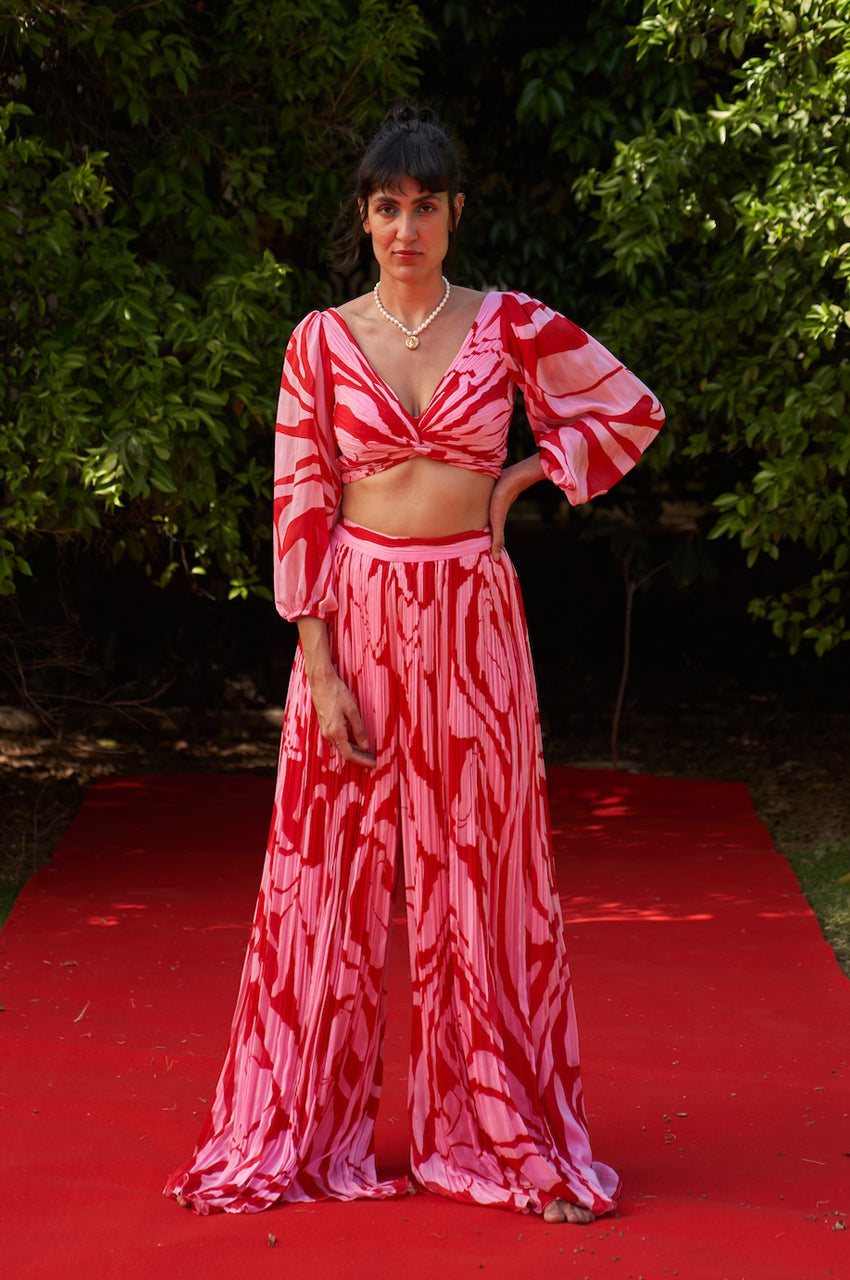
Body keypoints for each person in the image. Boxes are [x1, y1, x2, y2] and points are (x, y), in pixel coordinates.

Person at [164, 104, 664, 1225]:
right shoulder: (319, 341)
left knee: (479, 878)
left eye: (425, 207)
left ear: (455, 214)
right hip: (356, 623)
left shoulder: (509, 324)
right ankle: (292, 1128)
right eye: (387, 207)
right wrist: (320, 669)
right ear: (364, 216)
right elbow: (299, 503)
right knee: (324, 878)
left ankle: (499, 1134)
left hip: (473, 621)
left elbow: (627, 410)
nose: (406, 228)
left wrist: (523, 477)